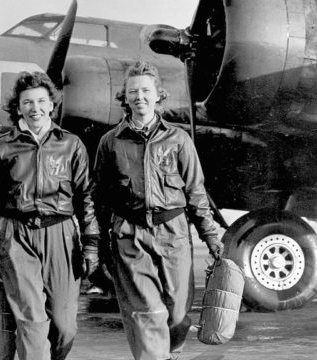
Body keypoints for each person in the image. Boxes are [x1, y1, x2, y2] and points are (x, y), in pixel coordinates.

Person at [92, 61, 224, 360]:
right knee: (146, 312)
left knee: (178, 313)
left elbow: (195, 191)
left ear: (158, 95)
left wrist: (211, 237)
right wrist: (97, 246)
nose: (139, 96)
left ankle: (171, 352)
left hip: (173, 233)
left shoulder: (178, 139)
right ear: (124, 98)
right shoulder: (110, 143)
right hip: (129, 235)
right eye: (133, 91)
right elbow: (100, 198)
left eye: (146, 90)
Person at [0, 71, 100, 360]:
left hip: (61, 234)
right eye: (27, 102)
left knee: (64, 326)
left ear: (52, 105)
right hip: (16, 234)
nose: (35, 108)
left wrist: (92, 244)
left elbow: (86, 197)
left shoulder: (71, 145)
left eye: (41, 101)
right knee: (31, 320)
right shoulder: (2, 148)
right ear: (18, 107)